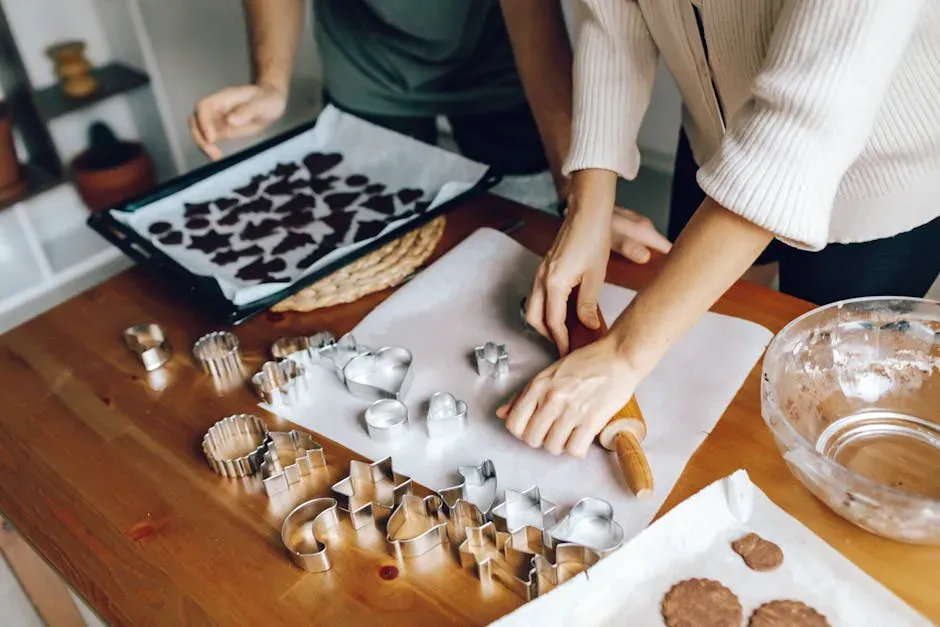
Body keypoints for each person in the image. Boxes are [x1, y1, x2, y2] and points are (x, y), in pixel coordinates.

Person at [501, 0, 940, 458]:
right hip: (716, 141)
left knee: (818, 408)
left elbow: (797, 130)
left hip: (876, 182)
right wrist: (587, 205)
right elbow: (613, 20)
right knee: (697, 362)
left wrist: (624, 354)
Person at [188, 0, 672, 264]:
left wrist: (578, 200)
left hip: (498, 65)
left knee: (531, 224)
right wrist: (270, 82)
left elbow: (535, 27)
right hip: (367, 68)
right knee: (376, 243)